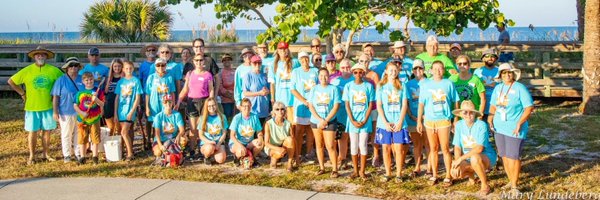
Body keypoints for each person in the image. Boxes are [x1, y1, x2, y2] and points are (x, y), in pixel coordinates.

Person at [8, 46, 63, 165]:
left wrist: (56, 96)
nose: (40, 56)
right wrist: (22, 93)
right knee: (32, 131)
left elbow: (63, 81)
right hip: (32, 107)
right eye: (38, 54)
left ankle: (46, 154)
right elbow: (11, 81)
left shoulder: (54, 70)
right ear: (34, 57)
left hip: (48, 106)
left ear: (46, 57)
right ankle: (32, 156)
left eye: (43, 54)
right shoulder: (27, 70)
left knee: (47, 131)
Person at [488, 63, 533, 195]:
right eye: (504, 73)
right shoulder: (498, 88)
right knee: (504, 156)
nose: (507, 75)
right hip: (499, 127)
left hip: (515, 128)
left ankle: (514, 186)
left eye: (509, 72)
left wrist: (520, 123)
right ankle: (510, 180)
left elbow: (529, 108)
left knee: (514, 156)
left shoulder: (520, 88)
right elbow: (493, 106)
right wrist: (490, 118)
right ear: (500, 75)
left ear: (513, 74)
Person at [417, 61, 459, 186]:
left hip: (444, 120)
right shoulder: (425, 85)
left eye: (440, 68)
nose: (437, 71)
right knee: (433, 148)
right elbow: (421, 104)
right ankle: (435, 175)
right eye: (435, 69)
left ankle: (448, 175)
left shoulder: (448, 83)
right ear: (431, 70)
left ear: (444, 70)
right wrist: (419, 120)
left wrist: (455, 118)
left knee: (445, 148)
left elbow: (455, 100)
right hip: (430, 121)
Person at [450, 100, 497, 196]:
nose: (468, 114)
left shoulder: (481, 125)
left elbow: (480, 148)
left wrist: (460, 159)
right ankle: (472, 176)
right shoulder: (459, 125)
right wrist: (457, 162)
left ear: (475, 113)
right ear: (461, 114)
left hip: (485, 155)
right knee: (454, 172)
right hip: (467, 157)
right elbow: (457, 146)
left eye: (471, 112)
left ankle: (485, 185)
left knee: (474, 158)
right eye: (465, 112)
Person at [375, 62, 410, 182]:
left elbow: (405, 104)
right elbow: (379, 105)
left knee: (399, 148)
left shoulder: (402, 85)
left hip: (398, 122)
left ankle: (399, 174)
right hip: (384, 123)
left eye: (395, 70)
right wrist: (385, 123)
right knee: (386, 148)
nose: (393, 72)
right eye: (390, 70)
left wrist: (400, 121)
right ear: (385, 71)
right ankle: (388, 172)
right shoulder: (380, 86)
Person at [342, 63, 375, 180]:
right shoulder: (348, 86)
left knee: (363, 145)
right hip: (352, 121)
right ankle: (355, 171)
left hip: (365, 121)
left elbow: (371, 104)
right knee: (354, 145)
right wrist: (352, 120)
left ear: (364, 73)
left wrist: (365, 120)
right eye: (355, 72)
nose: (358, 74)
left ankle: (362, 171)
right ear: (352, 73)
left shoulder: (368, 86)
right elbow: (347, 105)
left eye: (360, 72)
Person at [177, 54, 215, 156]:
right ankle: (192, 149)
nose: (199, 62)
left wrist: (211, 101)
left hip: (204, 101)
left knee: (202, 127)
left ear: (204, 62)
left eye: (201, 60)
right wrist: (178, 101)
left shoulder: (208, 74)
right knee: (193, 128)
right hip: (192, 102)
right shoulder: (190, 74)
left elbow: (211, 89)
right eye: (196, 60)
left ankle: (202, 148)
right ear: (193, 62)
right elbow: (185, 89)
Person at [308, 68, 341, 178]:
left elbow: (336, 106)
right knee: (319, 144)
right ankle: (322, 167)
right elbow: (311, 106)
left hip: (330, 120)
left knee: (330, 145)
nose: (323, 78)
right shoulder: (314, 89)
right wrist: (319, 119)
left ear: (329, 77)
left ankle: (335, 169)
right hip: (316, 120)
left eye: (326, 75)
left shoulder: (334, 89)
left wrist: (326, 120)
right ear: (318, 77)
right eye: (321, 76)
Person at [52, 57, 84, 163]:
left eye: (76, 65)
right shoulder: (61, 80)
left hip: (80, 111)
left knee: (78, 133)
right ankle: (67, 155)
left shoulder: (82, 79)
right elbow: (56, 96)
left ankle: (78, 153)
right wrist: (55, 111)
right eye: (71, 66)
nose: (73, 68)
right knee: (66, 134)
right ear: (67, 68)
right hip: (65, 111)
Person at [290, 51, 319, 165]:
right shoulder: (295, 72)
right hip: (301, 106)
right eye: (302, 59)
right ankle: (297, 154)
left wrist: (312, 101)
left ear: (309, 59)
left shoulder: (315, 71)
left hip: (313, 106)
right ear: (299, 60)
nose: (304, 61)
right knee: (299, 130)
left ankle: (308, 153)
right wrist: (304, 100)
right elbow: (293, 89)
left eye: (306, 58)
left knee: (310, 130)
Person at [405, 59, 430, 178]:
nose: (418, 71)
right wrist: (411, 115)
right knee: (416, 144)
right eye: (415, 69)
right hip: (412, 118)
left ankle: (430, 166)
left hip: (427, 118)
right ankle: (417, 166)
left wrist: (425, 115)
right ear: (412, 70)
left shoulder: (429, 83)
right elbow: (406, 103)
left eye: (420, 68)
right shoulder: (408, 84)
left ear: (424, 69)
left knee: (428, 143)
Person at [73, 72, 105, 165]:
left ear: (93, 80)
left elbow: (103, 104)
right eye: (86, 80)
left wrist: (97, 100)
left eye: (90, 79)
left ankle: (95, 157)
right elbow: (75, 105)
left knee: (95, 138)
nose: (89, 82)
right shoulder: (80, 93)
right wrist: (82, 113)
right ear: (83, 81)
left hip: (95, 119)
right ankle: (82, 157)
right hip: (82, 120)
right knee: (82, 138)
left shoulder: (98, 92)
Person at [145, 58, 177, 149]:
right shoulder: (151, 77)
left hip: (166, 104)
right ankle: (150, 140)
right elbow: (147, 93)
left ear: (165, 66)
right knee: (152, 121)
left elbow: (172, 92)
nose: (160, 67)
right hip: (154, 104)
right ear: (155, 66)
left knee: (164, 122)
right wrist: (147, 107)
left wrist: (173, 104)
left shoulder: (169, 77)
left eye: (162, 65)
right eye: (158, 65)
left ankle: (163, 141)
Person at [114, 61, 143, 161]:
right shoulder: (120, 82)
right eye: (126, 68)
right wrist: (115, 113)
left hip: (130, 110)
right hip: (120, 111)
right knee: (126, 132)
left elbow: (137, 98)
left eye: (130, 68)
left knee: (124, 132)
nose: (128, 70)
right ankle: (127, 151)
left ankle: (130, 154)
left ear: (133, 69)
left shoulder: (136, 81)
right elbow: (117, 98)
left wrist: (132, 111)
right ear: (123, 70)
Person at [357, 53, 382, 167]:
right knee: (361, 131)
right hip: (360, 108)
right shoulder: (357, 74)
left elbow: (378, 91)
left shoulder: (373, 75)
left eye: (366, 61)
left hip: (373, 107)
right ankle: (360, 154)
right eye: (362, 61)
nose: (364, 63)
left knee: (374, 132)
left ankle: (376, 154)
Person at [330, 59, 354, 170]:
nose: (346, 70)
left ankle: (349, 158)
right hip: (339, 114)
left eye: (348, 67)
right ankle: (340, 158)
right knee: (340, 137)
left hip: (353, 114)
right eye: (343, 68)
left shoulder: (356, 80)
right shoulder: (335, 81)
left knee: (351, 137)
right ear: (340, 69)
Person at [269, 41, 299, 126]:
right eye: (281, 48)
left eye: (285, 48)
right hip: (280, 102)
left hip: (293, 101)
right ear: (277, 50)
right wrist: (273, 100)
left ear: (288, 50)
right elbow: (272, 84)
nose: (283, 50)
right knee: (280, 126)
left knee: (293, 127)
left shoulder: (295, 62)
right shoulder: (273, 64)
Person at [229, 98, 264, 168]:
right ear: (241, 107)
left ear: (251, 106)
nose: (246, 108)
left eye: (248, 106)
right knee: (241, 151)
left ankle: (252, 158)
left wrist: (260, 138)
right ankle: (237, 158)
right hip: (237, 142)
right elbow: (232, 136)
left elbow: (259, 132)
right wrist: (240, 145)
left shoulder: (254, 116)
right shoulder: (237, 118)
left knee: (260, 144)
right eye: (244, 106)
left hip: (249, 142)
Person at [152, 95, 185, 162]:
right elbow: (157, 134)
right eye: (165, 102)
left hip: (172, 138)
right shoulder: (158, 117)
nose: (168, 104)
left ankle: (174, 155)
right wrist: (161, 145)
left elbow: (182, 130)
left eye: (170, 102)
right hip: (160, 140)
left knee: (183, 140)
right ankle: (163, 156)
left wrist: (179, 135)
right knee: (158, 152)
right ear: (163, 104)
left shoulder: (177, 114)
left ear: (172, 103)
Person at [264, 101, 295, 171]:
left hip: (283, 146)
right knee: (275, 161)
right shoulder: (268, 124)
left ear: (285, 110)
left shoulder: (288, 123)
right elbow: (266, 143)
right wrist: (278, 149)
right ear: (274, 111)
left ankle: (289, 163)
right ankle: (274, 159)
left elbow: (293, 140)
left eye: (282, 109)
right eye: (277, 109)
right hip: (272, 146)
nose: (280, 111)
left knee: (290, 139)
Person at [197, 97, 228, 165]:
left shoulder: (222, 117)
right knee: (210, 148)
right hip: (207, 143)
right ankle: (207, 156)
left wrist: (218, 144)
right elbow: (201, 135)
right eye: (209, 106)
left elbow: (224, 133)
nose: (212, 107)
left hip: (218, 142)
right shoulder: (202, 118)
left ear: (216, 105)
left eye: (213, 105)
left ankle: (213, 156)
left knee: (221, 160)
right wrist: (209, 142)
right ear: (206, 107)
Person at [242, 55, 270, 124]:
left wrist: (267, 91)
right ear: (251, 64)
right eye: (255, 63)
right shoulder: (248, 76)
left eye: (259, 63)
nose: (257, 65)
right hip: (252, 110)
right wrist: (259, 93)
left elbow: (270, 90)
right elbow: (245, 93)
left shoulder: (265, 76)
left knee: (262, 133)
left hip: (264, 109)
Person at [473, 49, 500, 118]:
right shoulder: (477, 71)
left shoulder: (500, 71)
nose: (490, 58)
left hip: (497, 106)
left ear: (496, 59)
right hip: (481, 105)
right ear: (483, 59)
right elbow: (473, 86)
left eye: (492, 56)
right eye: (487, 56)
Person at [104, 58, 124, 136]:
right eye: (115, 66)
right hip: (109, 104)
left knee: (119, 128)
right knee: (110, 128)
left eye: (119, 66)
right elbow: (105, 93)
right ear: (112, 67)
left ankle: (119, 146)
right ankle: (111, 146)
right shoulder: (108, 78)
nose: (117, 68)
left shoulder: (123, 78)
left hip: (119, 105)